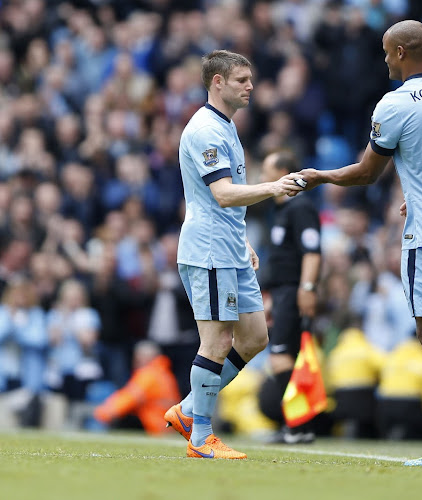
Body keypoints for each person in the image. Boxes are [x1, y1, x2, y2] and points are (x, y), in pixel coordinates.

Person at [298, 20, 422, 466]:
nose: (385, 59)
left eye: (388, 52)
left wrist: (321, 176)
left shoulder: (395, 104)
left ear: (403, 52)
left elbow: (368, 172)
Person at [163, 50, 303, 460]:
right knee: (218, 340)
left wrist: (241, 240)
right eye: (242, 79)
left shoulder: (226, 126)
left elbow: (219, 198)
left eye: (251, 79)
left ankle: (189, 409)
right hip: (208, 250)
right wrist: (274, 187)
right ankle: (201, 436)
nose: (251, 86)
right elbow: (222, 195)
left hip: (230, 248)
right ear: (217, 82)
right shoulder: (206, 129)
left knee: (255, 336)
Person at [257, 150, 322, 444]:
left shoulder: (301, 208)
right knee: (285, 357)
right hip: (282, 292)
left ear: (284, 172)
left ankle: (296, 425)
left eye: (266, 171)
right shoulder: (280, 211)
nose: (261, 177)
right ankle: (298, 425)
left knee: (282, 357)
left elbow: (312, 251)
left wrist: (306, 289)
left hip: (294, 291)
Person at [93, 340, 181, 434]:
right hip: (167, 425)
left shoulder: (148, 374)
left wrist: (103, 414)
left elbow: (129, 398)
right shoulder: (164, 373)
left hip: (154, 424)